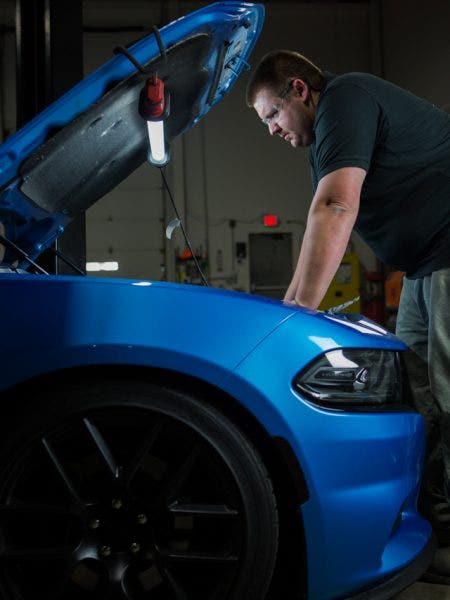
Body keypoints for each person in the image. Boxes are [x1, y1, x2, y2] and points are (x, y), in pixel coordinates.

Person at [246, 50, 450, 573]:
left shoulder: (347, 98)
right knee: (417, 400)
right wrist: (290, 309)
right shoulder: (331, 128)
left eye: (272, 114)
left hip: (448, 255)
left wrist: (293, 318)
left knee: (449, 396)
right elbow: (327, 211)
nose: (271, 130)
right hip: (425, 266)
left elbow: (335, 205)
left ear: (299, 89)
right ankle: (438, 530)